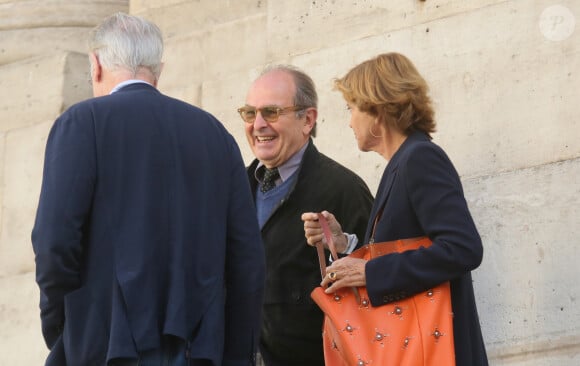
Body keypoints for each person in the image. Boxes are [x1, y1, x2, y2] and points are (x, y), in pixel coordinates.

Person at [31, 12, 265, 366]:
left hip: (105, 347)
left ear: (95, 65)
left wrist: (64, 329)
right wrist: (233, 354)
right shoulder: (215, 134)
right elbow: (246, 260)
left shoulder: (82, 122)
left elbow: (54, 244)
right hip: (199, 350)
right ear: (159, 69)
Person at [302, 52, 489, 365]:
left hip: (436, 353)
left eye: (351, 108)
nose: (349, 121)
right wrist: (344, 245)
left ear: (377, 108)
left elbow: (464, 248)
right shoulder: (402, 164)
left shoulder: (420, 159)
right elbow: (408, 247)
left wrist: (371, 271)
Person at [237, 65, 374, 366]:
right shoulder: (230, 189)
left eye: (271, 112)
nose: (258, 125)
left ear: (307, 120)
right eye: (250, 113)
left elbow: (378, 276)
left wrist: (344, 246)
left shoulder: (344, 189)